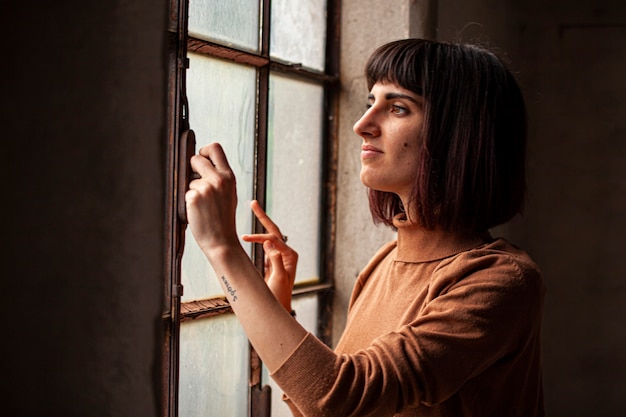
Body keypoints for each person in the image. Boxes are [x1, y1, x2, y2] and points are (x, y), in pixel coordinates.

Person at [185, 38, 545, 417]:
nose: (362, 125)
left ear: (459, 134)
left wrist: (222, 247)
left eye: (398, 108)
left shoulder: (503, 282)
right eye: (370, 103)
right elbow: (329, 406)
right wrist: (279, 309)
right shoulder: (385, 262)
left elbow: (338, 398)